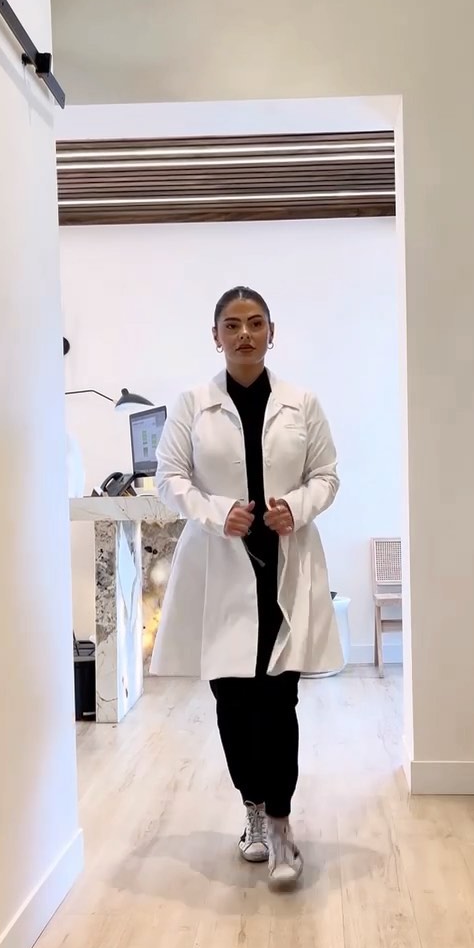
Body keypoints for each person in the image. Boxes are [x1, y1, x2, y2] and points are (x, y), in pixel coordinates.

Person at [152, 286, 341, 886]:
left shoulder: (302, 403)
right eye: (231, 325)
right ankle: (252, 810)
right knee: (233, 700)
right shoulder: (192, 404)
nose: (244, 334)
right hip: (220, 566)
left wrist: (297, 507)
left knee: (279, 698)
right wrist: (217, 513)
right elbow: (169, 478)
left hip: (283, 564)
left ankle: (281, 825)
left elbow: (327, 475)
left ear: (271, 333)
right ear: (215, 336)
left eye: (255, 323)